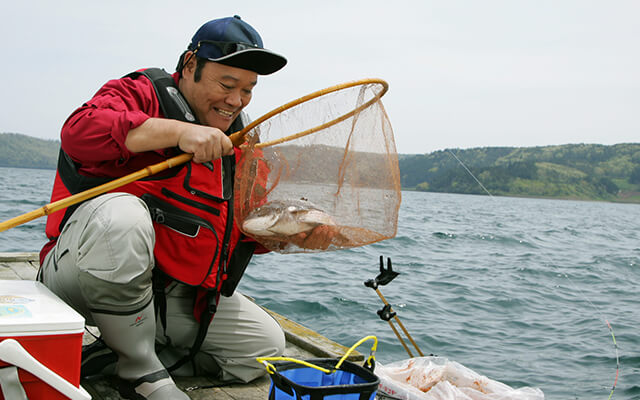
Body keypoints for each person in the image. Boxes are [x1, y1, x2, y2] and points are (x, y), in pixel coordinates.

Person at [38, 16, 289, 400]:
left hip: (166, 296)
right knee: (121, 216)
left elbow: (240, 231)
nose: (236, 101)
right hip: (76, 281)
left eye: (248, 90)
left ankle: (121, 356)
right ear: (190, 65)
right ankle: (141, 371)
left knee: (264, 348)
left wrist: (284, 235)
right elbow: (78, 132)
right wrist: (179, 132)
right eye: (227, 84)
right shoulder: (140, 91)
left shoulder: (239, 141)